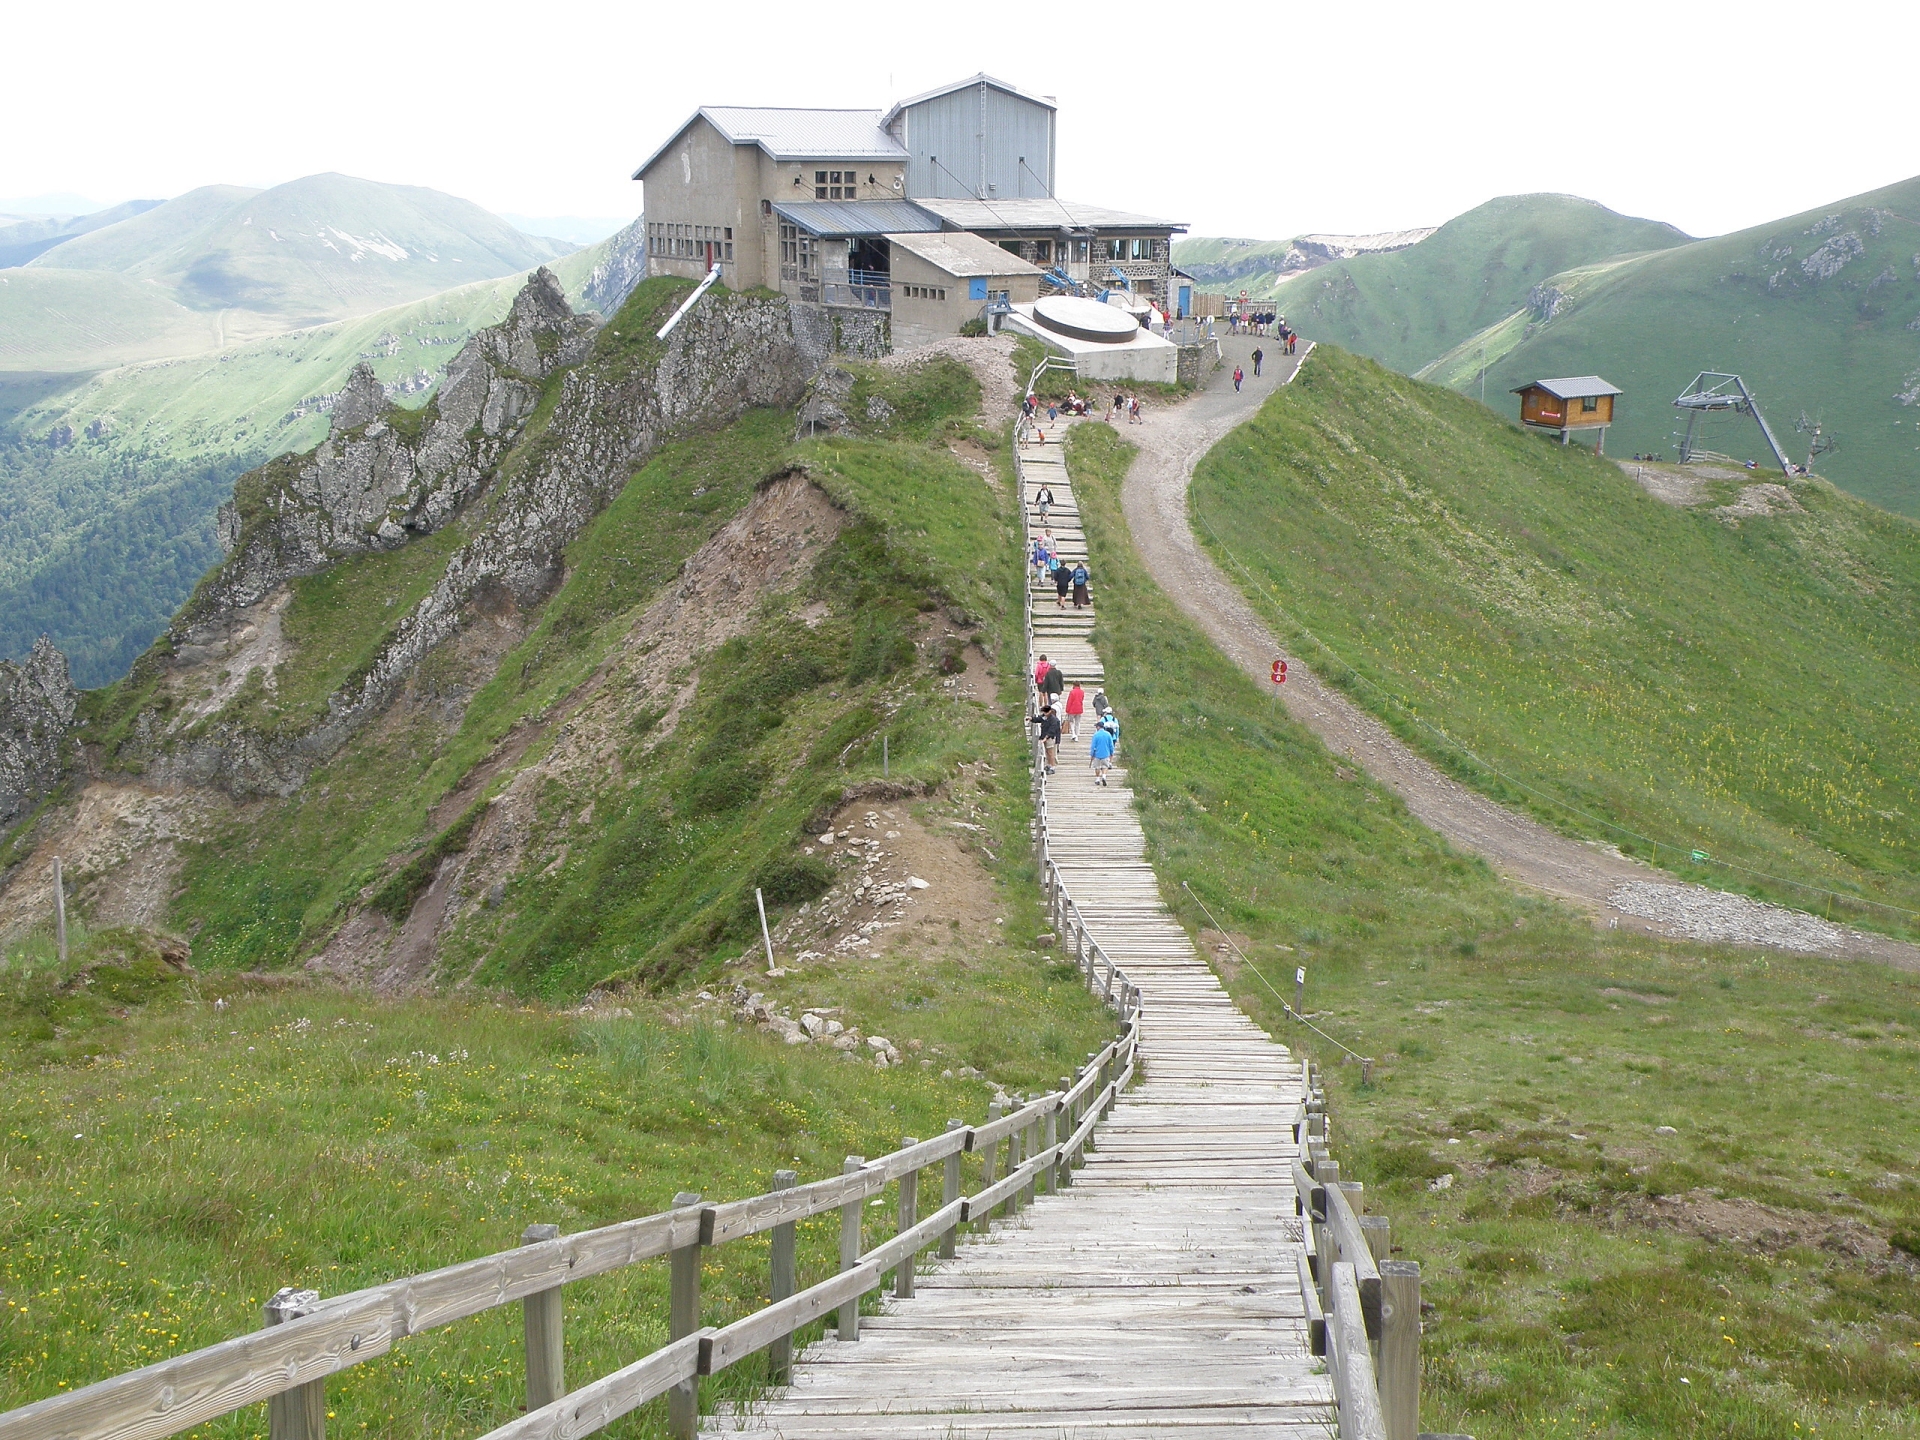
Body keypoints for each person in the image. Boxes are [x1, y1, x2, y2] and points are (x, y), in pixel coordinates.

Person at [1028, 702, 1062, 774]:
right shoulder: (1045, 717)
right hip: (1044, 736)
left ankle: (1052, 766)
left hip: (1050, 738)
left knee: (1050, 753)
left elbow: (1051, 731)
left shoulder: (1054, 720)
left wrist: (1045, 739)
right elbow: (1039, 719)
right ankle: (1048, 765)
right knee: (1046, 752)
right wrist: (1031, 719)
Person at [1088, 720, 1116, 786]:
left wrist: (1092, 754)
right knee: (1105, 766)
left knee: (1097, 767)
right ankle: (1103, 776)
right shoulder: (1108, 734)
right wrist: (1111, 752)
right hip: (1106, 753)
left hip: (1097, 754)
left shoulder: (1096, 735)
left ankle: (1097, 779)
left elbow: (1093, 746)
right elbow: (1111, 745)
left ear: (1098, 727)